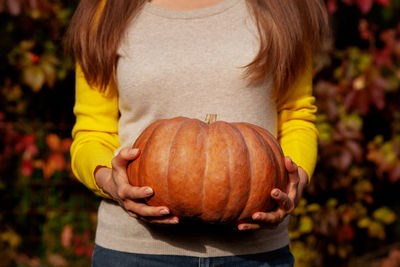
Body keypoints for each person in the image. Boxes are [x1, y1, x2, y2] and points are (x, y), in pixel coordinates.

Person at [66, 0, 329, 266]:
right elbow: (92, 133)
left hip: (256, 255)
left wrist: (295, 183)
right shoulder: (107, 10)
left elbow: (297, 116)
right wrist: (112, 183)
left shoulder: (281, 6)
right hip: (134, 253)